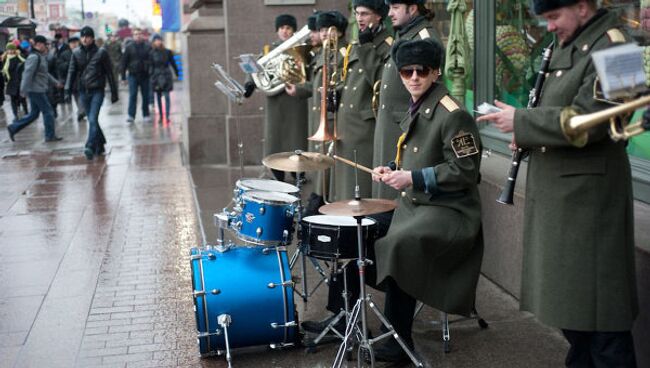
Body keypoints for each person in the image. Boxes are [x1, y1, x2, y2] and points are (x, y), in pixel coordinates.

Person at [476, 1, 638, 366]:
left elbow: (599, 120)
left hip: (590, 203)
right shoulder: (570, 44)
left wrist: (524, 122)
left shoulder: (619, 46)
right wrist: (528, 131)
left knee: (602, 320)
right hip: (564, 201)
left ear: (582, 7)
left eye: (553, 17)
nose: (548, 27)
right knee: (576, 313)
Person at [369, 38, 483, 363]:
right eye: (407, 71)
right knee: (360, 230)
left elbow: (466, 171)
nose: (414, 77)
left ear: (436, 72)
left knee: (400, 245)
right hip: (416, 205)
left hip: (451, 211)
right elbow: (416, 157)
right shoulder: (418, 104)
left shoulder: (453, 114)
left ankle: (398, 339)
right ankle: (374, 317)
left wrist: (411, 178)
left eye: (422, 71)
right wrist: (392, 170)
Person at [300, 0, 393, 336]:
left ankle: (346, 312)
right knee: (342, 230)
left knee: (355, 234)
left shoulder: (382, 48)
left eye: (365, 14)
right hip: (344, 143)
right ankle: (340, 312)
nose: (360, 20)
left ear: (380, 16)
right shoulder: (357, 47)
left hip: (364, 147)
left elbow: (380, 92)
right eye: (357, 15)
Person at [372, 0, 440, 200]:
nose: (390, 13)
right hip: (391, 125)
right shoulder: (404, 33)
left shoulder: (425, 37)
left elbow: (431, 86)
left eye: (395, 8)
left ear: (412, 8)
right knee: (383, 193)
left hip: (406, 127)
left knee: (395, 200)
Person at [286, 10, 348, 208]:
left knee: (326, 169)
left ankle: (320, 202)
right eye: (320, 30)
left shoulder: (342, 53)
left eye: (326, 30)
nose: (322, 34)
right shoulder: (322, 54)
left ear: (338, 32)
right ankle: (317, 199)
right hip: (319, 117)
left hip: (331, 118)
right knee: (319, 168)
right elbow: (315, 86)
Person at [243, 14, 309, 182]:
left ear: (294, 30)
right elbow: (256, 69)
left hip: (295, 100)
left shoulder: (301, 48)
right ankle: (277, 171)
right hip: (275, 102)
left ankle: (298, 172)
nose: (285, 31)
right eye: (282, 28)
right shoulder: (268, 50)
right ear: (277, 31)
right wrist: (250, 83)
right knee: (275, 139)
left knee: (296, 137)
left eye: (288, 28)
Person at [66, 26, 119, 160]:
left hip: (97, 90)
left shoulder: (102, 53)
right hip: (83, 91)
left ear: (92, 38)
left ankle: (89, 145)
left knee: (93, 118)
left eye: (87, 37)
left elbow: (110, 73)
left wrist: (114, 92)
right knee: (92, 120)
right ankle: (100, 144)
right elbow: (71, 72)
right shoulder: (76, 53)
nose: (84, 39)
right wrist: (67, 90)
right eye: (82, 37)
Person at [6, 35, 62, 143]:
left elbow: (45, 73)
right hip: (36, 90)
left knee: (34, 114)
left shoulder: (40, 56)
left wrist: (55, 83)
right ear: (39, 45)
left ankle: (13, 128)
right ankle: (49, 136)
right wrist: (23, 90)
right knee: (48, 112)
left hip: (38, 89)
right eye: (45, 45)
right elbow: (27, 74)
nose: (46, 47)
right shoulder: (34, 57)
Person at [120, 28, 152, 123]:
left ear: (142, 35)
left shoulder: (147, 46)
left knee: (145, 95)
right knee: (133, 95)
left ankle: (146, 114)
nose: (137, 35)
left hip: (145, 75)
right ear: (133, 36)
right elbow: (124, 62)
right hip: (133, 75)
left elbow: (151, 59)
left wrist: (149, 68)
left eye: (139, 34)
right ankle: (131, 115)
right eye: (135, 34)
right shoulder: (129, 47)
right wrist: (123, 77)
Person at [149, 34, 179, 122]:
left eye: (159, 40)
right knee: (158, 97)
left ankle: (167, 116)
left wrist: (177, 73)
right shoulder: (151, 53)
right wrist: (151, 75)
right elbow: (150, 65)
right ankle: (161, 116)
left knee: (167, 96)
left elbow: (173, 63)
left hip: (166, 75)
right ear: (154, 42)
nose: (158, 42)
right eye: (156, 40)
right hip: (156, 76)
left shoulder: (167, 52)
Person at [3, 42, 28, 119]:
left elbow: (24, 66)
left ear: (14, 50)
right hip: (11, 82)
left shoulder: (19, 57)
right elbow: (4, 70)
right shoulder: (5, 58)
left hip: (19, 81)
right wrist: (5, 79)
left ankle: (26, 112)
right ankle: (15, 115)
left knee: (22, 98)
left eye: (11, 49)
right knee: (13, 99)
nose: (10, 51)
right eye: (8, 49)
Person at [66, 36, 86, 122]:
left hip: (82, 79)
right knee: (76, 96)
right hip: (71, 79)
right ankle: (81, 111)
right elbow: (60, 66)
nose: (74, 45)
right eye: (72, 43)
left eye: (75, 43)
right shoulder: (65, 54)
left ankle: (81, 111)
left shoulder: (82, 52)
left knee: (82, 95)